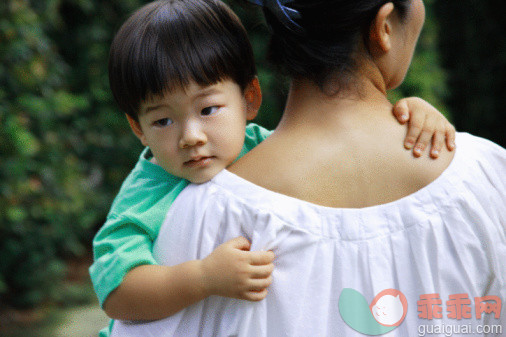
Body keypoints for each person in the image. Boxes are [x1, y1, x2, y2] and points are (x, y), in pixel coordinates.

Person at [108, 0, 506, 336]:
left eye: (208, 110)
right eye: (163, 120)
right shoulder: (488, 178)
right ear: (384, 26)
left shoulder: (196, 216)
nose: (191, 138)